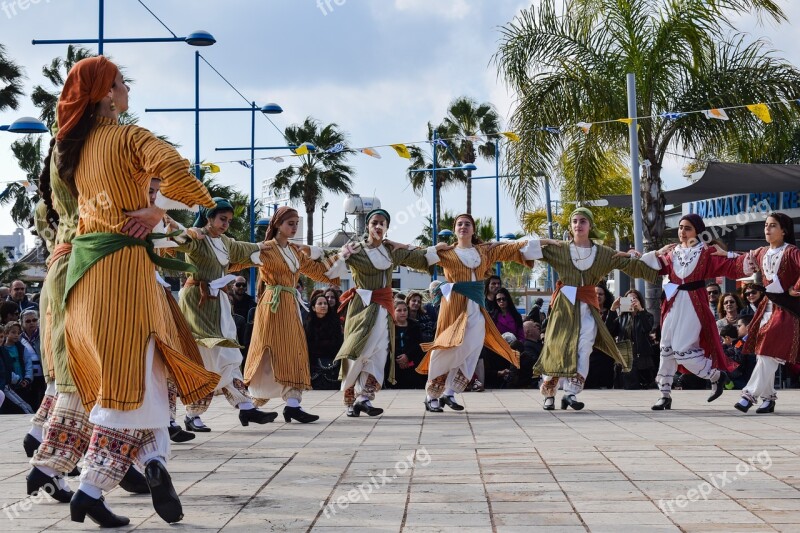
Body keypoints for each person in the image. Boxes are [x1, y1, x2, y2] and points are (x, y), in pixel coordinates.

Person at [57, 56, 221, 526]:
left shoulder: (75, 146)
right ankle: (91, 487)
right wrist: (157, 211)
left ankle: (147, 466)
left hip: (85, 274)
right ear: (107, 93)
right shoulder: (129, 136)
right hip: (125, 270)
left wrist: (153, 211)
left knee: (139, 375)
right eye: (123, 83)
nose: (128, 90)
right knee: (131, 380)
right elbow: (173, 164)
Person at [531, 208, 661, 411]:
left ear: (590, 226)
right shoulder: (560, 248)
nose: (578, 224)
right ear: (570, 226)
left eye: (583, 221)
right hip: (564, 307)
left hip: (588, 307)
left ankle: (571, 393)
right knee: (556, 346)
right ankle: (549, 394)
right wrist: (547, 241)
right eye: (574, 221)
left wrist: (638, 256)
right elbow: (522, 250)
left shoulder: (602, 253)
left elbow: (631, 263)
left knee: (584, 346)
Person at [416, 213, 544, 412]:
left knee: (472, 347)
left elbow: (511, 248)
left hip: (476, 305)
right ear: (455, 230)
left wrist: (546, 241)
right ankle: (431, 395)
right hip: (454, 306)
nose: (463, 226)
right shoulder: (447, 253)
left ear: (473, 230)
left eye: (467, 224)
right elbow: (418, 257)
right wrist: (433, 248)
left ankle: (449, 393)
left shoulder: (484, 251)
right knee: (447, 347)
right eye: (459, 224)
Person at [171, 197, 275, 432]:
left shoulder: (225, 242)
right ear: (209, 218)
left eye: (228, 220)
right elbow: (179, 240)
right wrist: (187, 232)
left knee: (226, 353)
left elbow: (242, 248)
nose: (226, 223)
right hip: (197, 302)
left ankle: (244, 406)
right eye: (222, 219)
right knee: (207, 356)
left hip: (218, 304)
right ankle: (199, 413)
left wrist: (262, 246)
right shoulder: (198, 238)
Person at [336, 209, 446, 417]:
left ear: (387, 228)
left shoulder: (391, 250)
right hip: (361, 307)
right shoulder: (355, 249)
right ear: (367, 226)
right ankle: (350, 397)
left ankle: (365, 398)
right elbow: (330, 264)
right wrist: (333, 255)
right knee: (357, 350)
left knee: (380, 352)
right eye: (374, 222)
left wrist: (425, 248)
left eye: (382, 223)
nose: (378, 226)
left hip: (385, 308)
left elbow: (419, 257)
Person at [243, 206, 342, 423]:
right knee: (268, 350)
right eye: (290, 223)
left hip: (290, 303)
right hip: (273, 304)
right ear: (277, 224)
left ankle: (293, 404)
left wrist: (343, 257)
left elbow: (318, 271)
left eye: (297, 223)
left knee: (295, 350)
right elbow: (239, 257)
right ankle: (250, 402)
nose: (294, 227)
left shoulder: (295, 251)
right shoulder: (265, 249)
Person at [650, 214, 741, 411]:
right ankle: (664, 394)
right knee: (666, 349)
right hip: (673, 303)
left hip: (694, 304)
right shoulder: (672, 251)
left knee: (683, 351)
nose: (682, 232)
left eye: (688, 228)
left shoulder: (706, 252)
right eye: (681, 227)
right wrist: (649, 254)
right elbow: (653, 266)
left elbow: (732, 266)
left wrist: (731, 255)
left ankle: (715, 375)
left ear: (698, 232)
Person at [734, 213, 800, 414]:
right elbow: (740, 260)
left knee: (768, 352)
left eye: (773, 225)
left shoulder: (792, 251)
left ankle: (748, 395)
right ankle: (768, 398)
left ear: (784, 230)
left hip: (787, 310)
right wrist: (721, 253)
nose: (767, 229)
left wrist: (794, 288)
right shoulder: (762, 252)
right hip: (767, 308)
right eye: (765, 225)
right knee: (764, 353)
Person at [611, 289, 656, 390]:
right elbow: (610, 330)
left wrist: (641, 310)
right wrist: (613, 309)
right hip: (625, 357)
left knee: (643, 386)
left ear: (639, 300)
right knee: (625, 386)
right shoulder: (622, 318)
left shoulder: (647, 316)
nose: (631, 300)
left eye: (634, 298)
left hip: (642, 358)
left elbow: (647, 328)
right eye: (628, 299)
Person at [305, 293, 344, 391]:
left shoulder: (334, 322)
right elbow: (308, 345)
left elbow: (337, 344)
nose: (323, 306)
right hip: (313, 363)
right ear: (314, 308)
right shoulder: (308, 323)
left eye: (325, 303)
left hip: (331, 363)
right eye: (320, 303)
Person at [584, 283, 617, 389]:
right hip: (589, 353)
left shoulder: (611, 312)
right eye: (595, 294)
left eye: (601, 294)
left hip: (605, 355)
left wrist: (612, 311)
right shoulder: (586, 312)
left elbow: (610, 331)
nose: (598, 296)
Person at [390, 299, 426, 389]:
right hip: (394, 367)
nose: (403, 313)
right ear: (393, 311)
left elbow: (419, 344)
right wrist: (399, 359)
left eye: (405, 310)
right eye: (399, 310)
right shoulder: (389, 327)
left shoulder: (415, 325)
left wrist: (407, 356)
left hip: (413, 365)